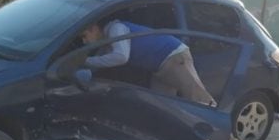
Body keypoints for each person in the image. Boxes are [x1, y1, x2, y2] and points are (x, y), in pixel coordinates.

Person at [81, 19, 216, 106]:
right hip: (159, 67)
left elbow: (121, 57)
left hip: (173, 57)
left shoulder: (116, 29)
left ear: (94, 28)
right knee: (162, 107)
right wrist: (79, 68)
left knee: (198, 99)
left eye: (84, 36)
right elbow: (98, 63)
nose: (84, 42)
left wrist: (85, 61)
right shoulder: (107, 42)